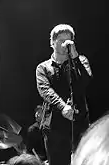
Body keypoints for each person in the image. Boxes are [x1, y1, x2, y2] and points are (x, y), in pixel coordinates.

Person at [35, 24, 93, 165]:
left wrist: (75, 57)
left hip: (79, 122)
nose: (65, 44)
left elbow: (86, 80)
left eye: (69, 41)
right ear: (52, 42)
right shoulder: (43, 67)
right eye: (61, 41)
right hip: (54, 126)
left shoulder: (81, 61)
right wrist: (63, 107)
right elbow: (45, 89)